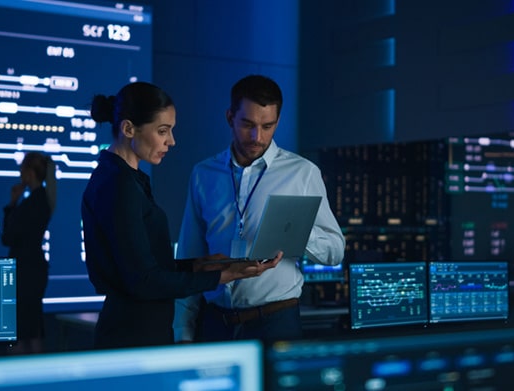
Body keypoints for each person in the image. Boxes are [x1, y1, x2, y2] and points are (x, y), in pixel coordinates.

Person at [82, 81, 281, 349]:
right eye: (163, 131)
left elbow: (144, 266)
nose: (171, 141)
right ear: (128, 128)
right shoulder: (118, 185)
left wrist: (202, 265)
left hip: (140, 331)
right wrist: (221, 277)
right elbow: (144, 281)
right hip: (132, 337)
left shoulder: (126, 179)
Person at [173, 74, 345, 343]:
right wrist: (182, 331)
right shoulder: (203, 174)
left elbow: (335, 251)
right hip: (215, 323)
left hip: (277, 322)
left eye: (268, 126)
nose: (257, 136)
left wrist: (296, 233)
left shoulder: (302, 173)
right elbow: (190, 255)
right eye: (247, 124)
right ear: (230, 117)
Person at [1, 151, 56, 354]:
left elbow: (7, 238)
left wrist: (11, 205)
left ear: (30, 172)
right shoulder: (41, 200)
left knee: (24, 327)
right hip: (31, 268)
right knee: (30, 325)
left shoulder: (34, 202)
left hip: (26, 269)